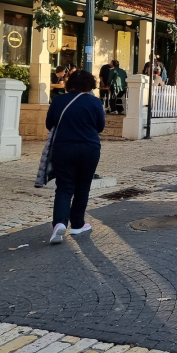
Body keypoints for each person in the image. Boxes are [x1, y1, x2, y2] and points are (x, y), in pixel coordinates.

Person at [46, 70, 105, 244]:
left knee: (64, 188)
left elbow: (49, 124)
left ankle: (59, 223)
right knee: (83, 186)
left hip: (63, 148)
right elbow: (100, 127)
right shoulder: (94, 102)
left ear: (69, 83)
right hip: (89, 148)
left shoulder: (58, 101)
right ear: (90, 84)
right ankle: (78, 224)